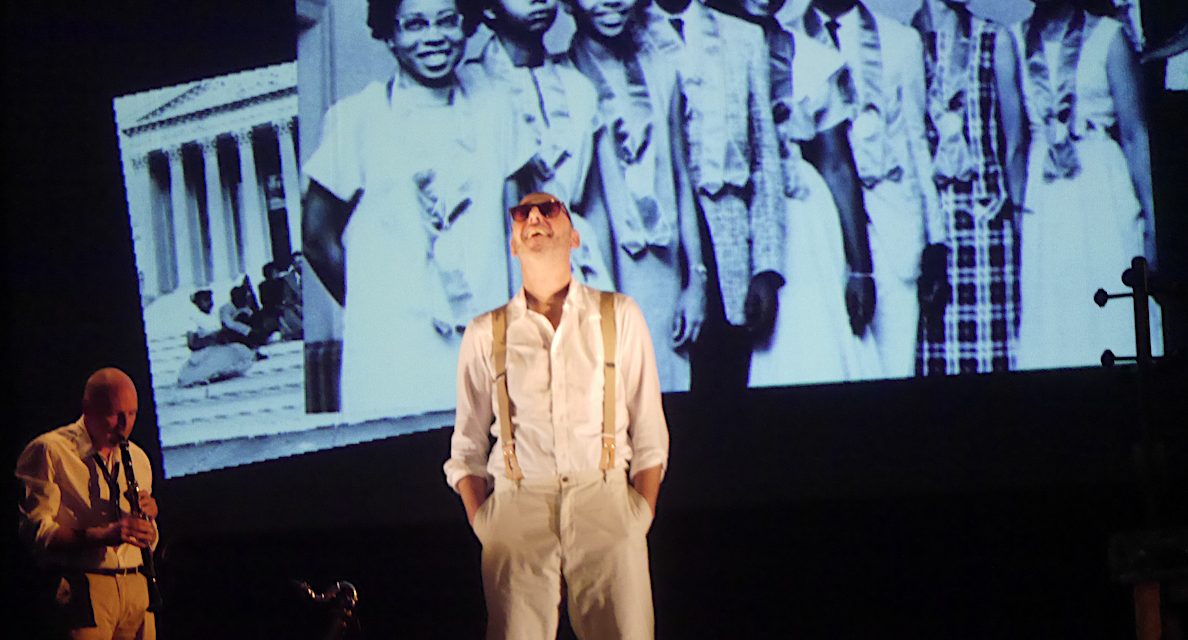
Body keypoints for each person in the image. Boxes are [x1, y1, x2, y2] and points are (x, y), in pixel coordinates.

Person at [445, 192, 667, 639]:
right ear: (512, 242)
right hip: (518, 503)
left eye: (548, 208)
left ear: (574, 234)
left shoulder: (619, 315)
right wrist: (485, 521)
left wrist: (638, 514)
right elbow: (466, 446)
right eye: (521, 213)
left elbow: (649, 429)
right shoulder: (484, 333)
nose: (533, 217)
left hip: (603, 496)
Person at [303, 0, 522, 420]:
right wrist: (375, 310)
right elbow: (316, 239)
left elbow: (520, 231)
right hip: (394, 353)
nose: (434, 37)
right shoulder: (358, 118)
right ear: (389, 34)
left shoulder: (497, 109)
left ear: (467, 24)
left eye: (446, 21)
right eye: (414, 25)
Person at [715, 0, 879, 387]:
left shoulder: (811, 57)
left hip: (802, 221)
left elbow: (836, 165)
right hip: (731, 211)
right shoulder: (704, 49)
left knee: (809, 348)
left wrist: (860, 268)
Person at [795, 0, 943, 379]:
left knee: (894, 373)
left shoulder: (901, 42)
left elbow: (916, 143)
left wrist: (934, 240)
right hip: (822, 232)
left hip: (891, 230)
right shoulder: (789, 38)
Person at [564, 0, 707, 392]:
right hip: (596, 271)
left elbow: (681, 178)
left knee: (666, 404)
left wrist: (695, 281)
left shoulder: (662, 70)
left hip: (662, 274)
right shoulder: (563, 79)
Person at [647, 0, 786, 395]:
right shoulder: (625, 33)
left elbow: (765, 158)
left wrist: (767, 268)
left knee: (726, 398)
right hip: (661, 250)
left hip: (730, 248)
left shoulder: (743, 36)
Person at [1013, 0, 1158, 370]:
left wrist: (1153, 225)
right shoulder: (1012, 40)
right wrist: (1019, 219)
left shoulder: (1109, 37)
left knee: (1111, 304)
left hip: (1099, 183)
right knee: (1056, 315)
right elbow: (1013, 145)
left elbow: (1134, 135)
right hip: (1045, 193)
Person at [458, 0, 614, 292]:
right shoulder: (467, 88)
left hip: (575, 264)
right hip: (497, 267)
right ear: (488, 7)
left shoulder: (578, 88)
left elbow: (594, 207)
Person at [911, 0, 1028, 376]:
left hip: (986, 222)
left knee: (994, 353)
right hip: (929, 222)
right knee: (936, 352)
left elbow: (1014, 143)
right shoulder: (906, 40)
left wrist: (1019, 221)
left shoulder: (995, 38)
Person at [15, 367, 159, 640]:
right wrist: (104, 535)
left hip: (138, 586)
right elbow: (36, 534)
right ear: (87, 408)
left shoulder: (138, 458)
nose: (123, 424)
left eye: (131, 414)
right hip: (85, 586)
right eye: (114, 413)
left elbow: (148, 541)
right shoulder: (50, 450)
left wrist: (149, 526)